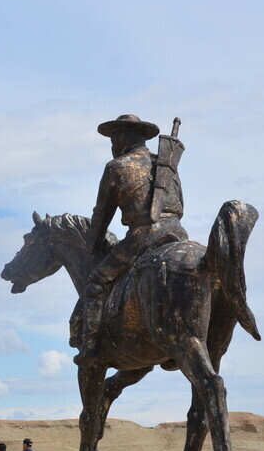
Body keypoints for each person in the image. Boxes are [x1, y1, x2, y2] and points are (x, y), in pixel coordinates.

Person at [73, 114, 188, 365]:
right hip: (178, 233)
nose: (112, 144)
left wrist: (91, 244)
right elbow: (180, 204)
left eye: (114, 138)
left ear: (122, 137)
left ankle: (90, 347)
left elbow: (102, 214)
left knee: (95, 283)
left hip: (143, 236)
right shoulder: (166, 165)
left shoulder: (117, 167)